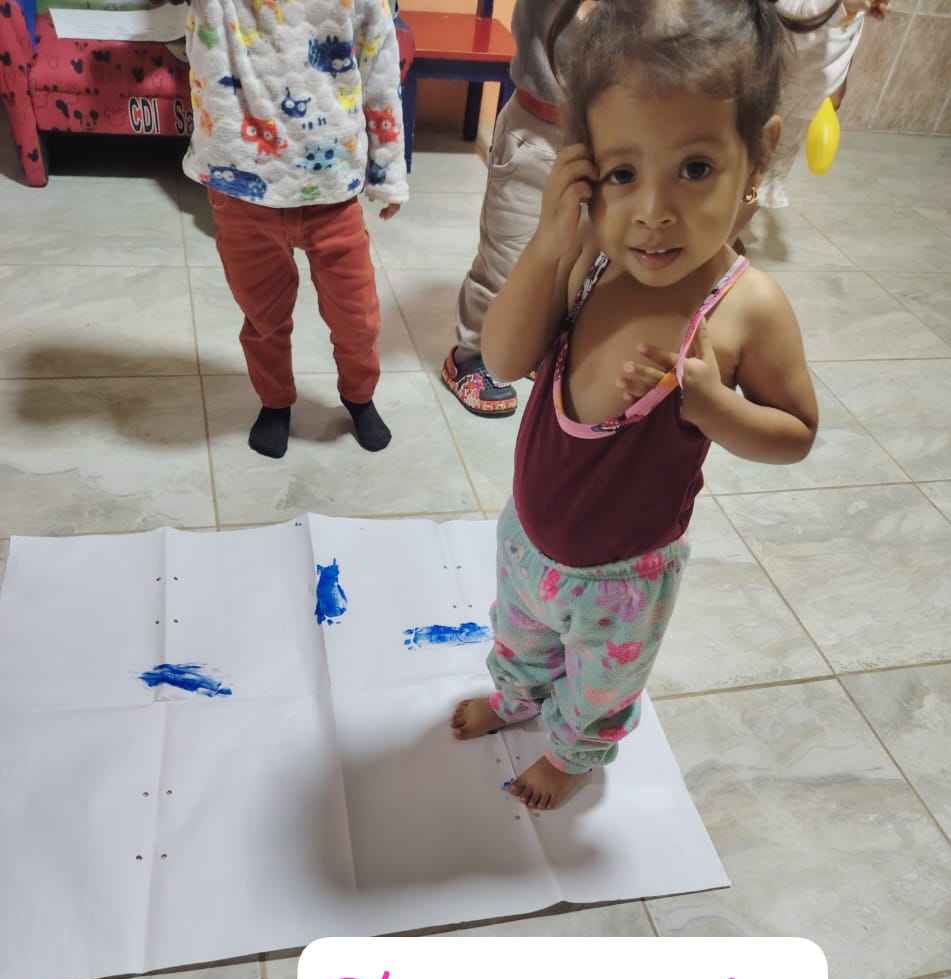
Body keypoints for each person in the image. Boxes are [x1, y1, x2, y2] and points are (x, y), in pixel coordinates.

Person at [450, 0, 820, 810]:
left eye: (695, 168)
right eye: (622, 174)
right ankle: (515, 698)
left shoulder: (746, 308)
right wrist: (549, 245)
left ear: (757, 158)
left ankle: (571, 755)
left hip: (622, 581)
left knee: (598, 685)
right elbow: (504, 361)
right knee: (518, 638)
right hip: (528, 541)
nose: (653, 210)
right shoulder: (592, 252)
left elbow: (796, 432)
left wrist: (714, 406)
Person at [181, 0, 408, 458]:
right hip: (242, 184)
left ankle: (359, 396)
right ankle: (275, 401)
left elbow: (380, 64)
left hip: (332, 189)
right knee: (263, 317)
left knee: (358, 319)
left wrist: (387, 170)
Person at [439, 0, 581, 418]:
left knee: (576, 259)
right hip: (537, 134)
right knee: (506, 257)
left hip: (612, 139)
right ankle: (472, 354)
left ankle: (538, 342)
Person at [736, 0, 888, 236]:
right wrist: (842, 6)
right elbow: (788, 20)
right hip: (775, 93)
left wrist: (839, 84)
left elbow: (845, 40)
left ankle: (730, 235)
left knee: (766, 178)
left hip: (802, 103)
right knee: (744, 172)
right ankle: (720, 240)